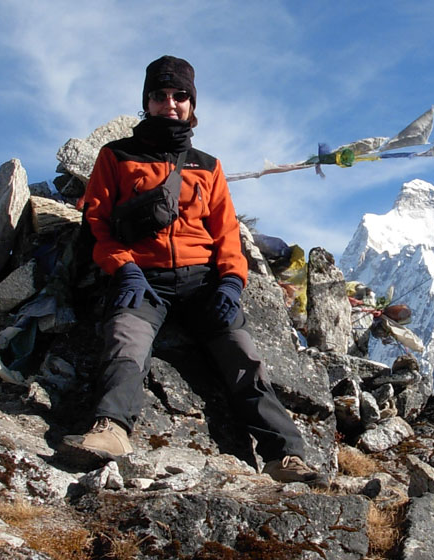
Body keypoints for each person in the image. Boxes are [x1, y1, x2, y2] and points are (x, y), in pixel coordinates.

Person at [65, 55, 321, 484]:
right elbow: (96, 223)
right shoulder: (116, 156)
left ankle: (286, 455)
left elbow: (227, 236)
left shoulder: (208, 165)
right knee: (126, 344)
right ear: (146, 102)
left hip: (203, 282)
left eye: (180, 96)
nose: (171, 103)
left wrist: (232, 284)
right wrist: (122, 267)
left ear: (192, 104)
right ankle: (111, 429)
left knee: (243, 357)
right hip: (141, 279)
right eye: (160, 95)